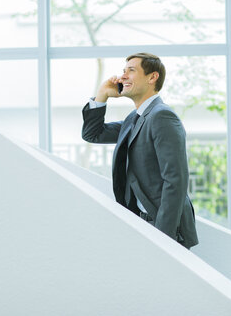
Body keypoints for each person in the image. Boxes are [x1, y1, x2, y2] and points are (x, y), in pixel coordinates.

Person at [81, 53, 198, 249]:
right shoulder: (134, 118)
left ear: (152, 78)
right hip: (141, 223)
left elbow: (175, 180)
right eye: (123, 71)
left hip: (162, 229)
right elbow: (93, 134)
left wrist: (163, 238)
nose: (123, 76)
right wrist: (102, 94)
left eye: (131, 71)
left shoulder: (162, 116)